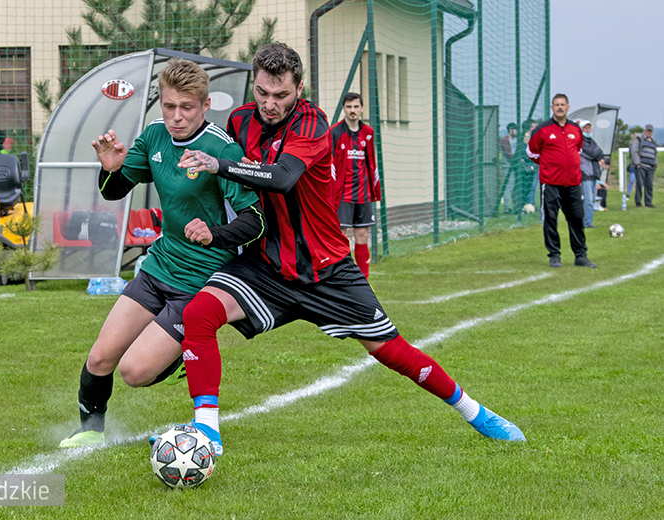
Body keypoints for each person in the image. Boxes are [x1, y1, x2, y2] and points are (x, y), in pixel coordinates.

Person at [173, 42, 525, 456]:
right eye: (262, 92)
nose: (269, 104)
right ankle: (207, 434)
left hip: (328, 268)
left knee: (392, 352)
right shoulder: (239, 121)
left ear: (299, 88)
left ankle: (476, 413)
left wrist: (221, 165)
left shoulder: (313, 123)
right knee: (199, 313)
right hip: (268, 264)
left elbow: (282, 177)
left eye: (281, 95)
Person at [59, 58, 265, 448]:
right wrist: (110, 168)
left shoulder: (222, 149)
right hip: (159, 268)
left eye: (187, 107)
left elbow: (255, 220)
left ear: (205, 106)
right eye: (169, 106)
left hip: (199, 283)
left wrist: (214, 234)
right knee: (101, 358)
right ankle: (90, 431)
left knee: (135, 372)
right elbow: (114, 190)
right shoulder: (155, 135)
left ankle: (184, 348)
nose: (176, 116)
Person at [526, 93, 596, 268]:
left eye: (562, 105)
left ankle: (581, 255)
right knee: (551, 219)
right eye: (556, 104)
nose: (559, 107)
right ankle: (554, 255)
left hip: (573, 183)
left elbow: (577, 150)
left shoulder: (576, 129)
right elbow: (531, 152)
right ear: (552, 107)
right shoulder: (542, 129)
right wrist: (549, 165)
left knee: (577, 219)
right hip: (551, 183)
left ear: (568, 107)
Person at [329, 92, 381, 279]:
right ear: (344, 108)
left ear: (362, 109)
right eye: (349, 107)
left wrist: (374, 188)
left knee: (363, 236)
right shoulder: (334, 132)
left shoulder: (368, 133)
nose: (352, 110)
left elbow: (371, 163)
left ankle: (364, 281)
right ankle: (343, 279)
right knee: (341, 238)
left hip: (363, 193)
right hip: (342, 195)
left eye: (356, 107)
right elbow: (329, 165)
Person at [578, 120, 604, 228]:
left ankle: (589, 222)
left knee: (592, 200)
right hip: (586, 174)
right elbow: (593, 153)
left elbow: (600, 152)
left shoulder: (592, 141)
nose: (588, 130)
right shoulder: (580, 142)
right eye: (585, 128)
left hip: (593, 174)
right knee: (588, 200)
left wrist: (597, 155)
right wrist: (597, 156)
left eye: (589, 128)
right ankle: (586, 223)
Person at [630, 124, 658, 208]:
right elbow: (634, 151)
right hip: (641, 165)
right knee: (639, 184)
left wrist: (655, 164)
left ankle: (648, 202)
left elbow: (655, 154)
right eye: (648, 130)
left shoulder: (653, 142)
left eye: (650, 131)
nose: (649, 132)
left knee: (649, 185)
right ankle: (638, 202)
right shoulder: (639, 139)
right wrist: (637, 163)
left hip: (651, 167)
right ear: (645, 130)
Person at [501, 122, 518, 213]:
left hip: (516, 166)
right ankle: (507, 208)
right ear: (510, 130)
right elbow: (508, 154)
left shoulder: (517, 139)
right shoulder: (505, 140)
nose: (517, 131)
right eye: (515, 129)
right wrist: (518, 157)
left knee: (516, 187)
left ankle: (516, 207)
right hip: (508, 166)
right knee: (509, 187)